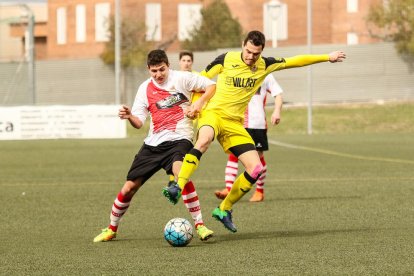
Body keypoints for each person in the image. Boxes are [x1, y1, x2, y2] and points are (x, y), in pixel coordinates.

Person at [163, 30, 346, 233]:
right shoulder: (225, 59)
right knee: (204, 140)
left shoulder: (265, 65)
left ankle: (224, 209)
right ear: (243, 44)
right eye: (248, 51)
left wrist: (326, 57)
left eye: (256, 54)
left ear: (262, 51)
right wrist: (196, 106)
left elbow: (295, 61)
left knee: (256, 168)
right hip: (212, 114)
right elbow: (200, 83)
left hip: (234, 123)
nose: (251, 57)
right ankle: (177, 186)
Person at [93, 49, 216, 242]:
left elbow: (211, 85)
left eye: (162, 70)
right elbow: (139, 123)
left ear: (168, 66)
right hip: (153, 144)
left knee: (180, 173)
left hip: (179, 140)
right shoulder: (145, 89)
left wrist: (199, 103)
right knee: (128, 188)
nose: (158, 75)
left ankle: (200, 225)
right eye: (154, 71)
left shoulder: (183, 78)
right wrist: (130, 117)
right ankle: (111, 228)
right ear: (148, 70)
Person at [215, 73, 283, 202]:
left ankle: (259, 192)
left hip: (257, 124)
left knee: (259, 157)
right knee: (233, 154)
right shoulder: (239, 71)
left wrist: (277, 111)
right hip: (238, 122)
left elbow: (278, 93)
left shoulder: (266, 73)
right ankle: (229, 189)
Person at [167, 50, 198, 187]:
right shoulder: (173, 78)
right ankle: (173, 180)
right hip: (174, 119)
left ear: (192, 62)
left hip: (193, 120)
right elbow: (169, 98)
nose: (186, 63)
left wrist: (194, 108)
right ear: (179, 62)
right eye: (184, 60)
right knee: (171, 146)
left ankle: (179, 179)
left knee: (184, 150)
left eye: (188, 61)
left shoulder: (196, 77)